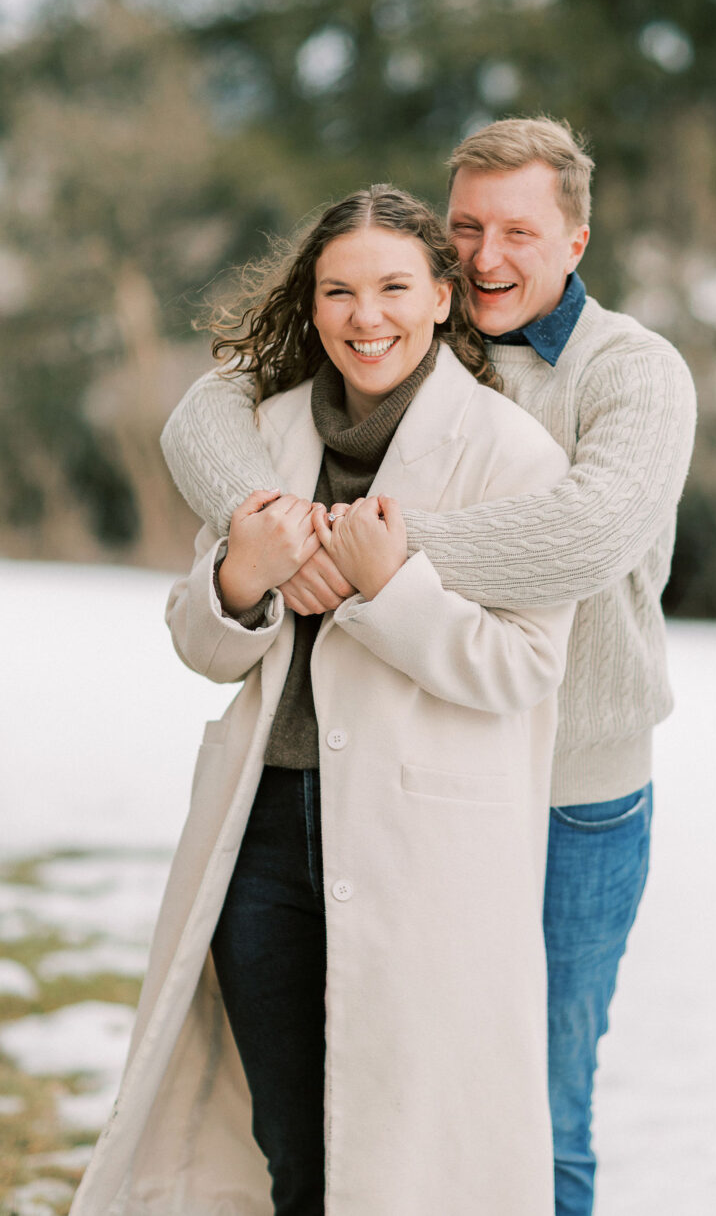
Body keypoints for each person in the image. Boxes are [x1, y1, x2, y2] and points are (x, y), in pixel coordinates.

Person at [162, 117, 698, 1216]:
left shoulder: (629, 371)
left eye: (519, 232)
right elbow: (203, 410)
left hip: (573, 786)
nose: (488, 255)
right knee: (383, 1108)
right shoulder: (388, 333)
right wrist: (270, 533)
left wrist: (363, 550)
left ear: (576, 240)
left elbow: (585, 538)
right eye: (467, 229)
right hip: (419, 776)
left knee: (538, 1106)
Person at [69, 187, 576, 1216]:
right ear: (311, 303)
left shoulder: (512, 453)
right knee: (294, 1152)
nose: (365, 316)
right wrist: (240, 578)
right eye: (339, 291)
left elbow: (522, 667)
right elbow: (201, 642)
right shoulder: (265, 431)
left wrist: (392, 591)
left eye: (394, 287)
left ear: (443, 297)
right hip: (259, 837)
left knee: (400, 1162)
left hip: (418, 844)